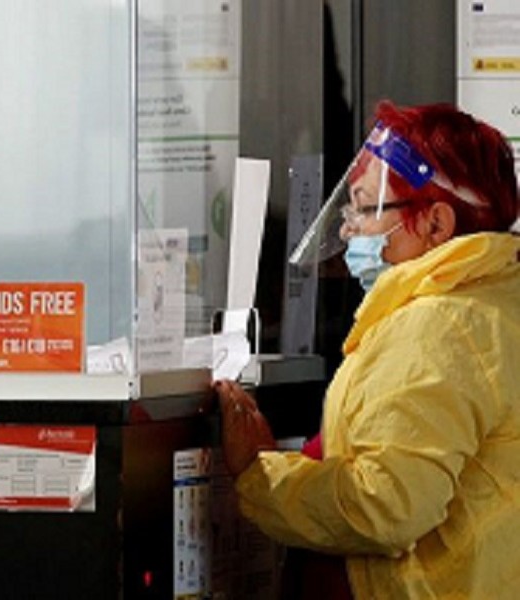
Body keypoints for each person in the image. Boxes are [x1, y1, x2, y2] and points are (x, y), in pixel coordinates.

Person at [216, 101, 520, 599]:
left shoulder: (439, 327)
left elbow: (385, 505)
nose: (347, 229)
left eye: (365, 208)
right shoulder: (492, 307)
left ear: (436, 226)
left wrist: (259, 473)